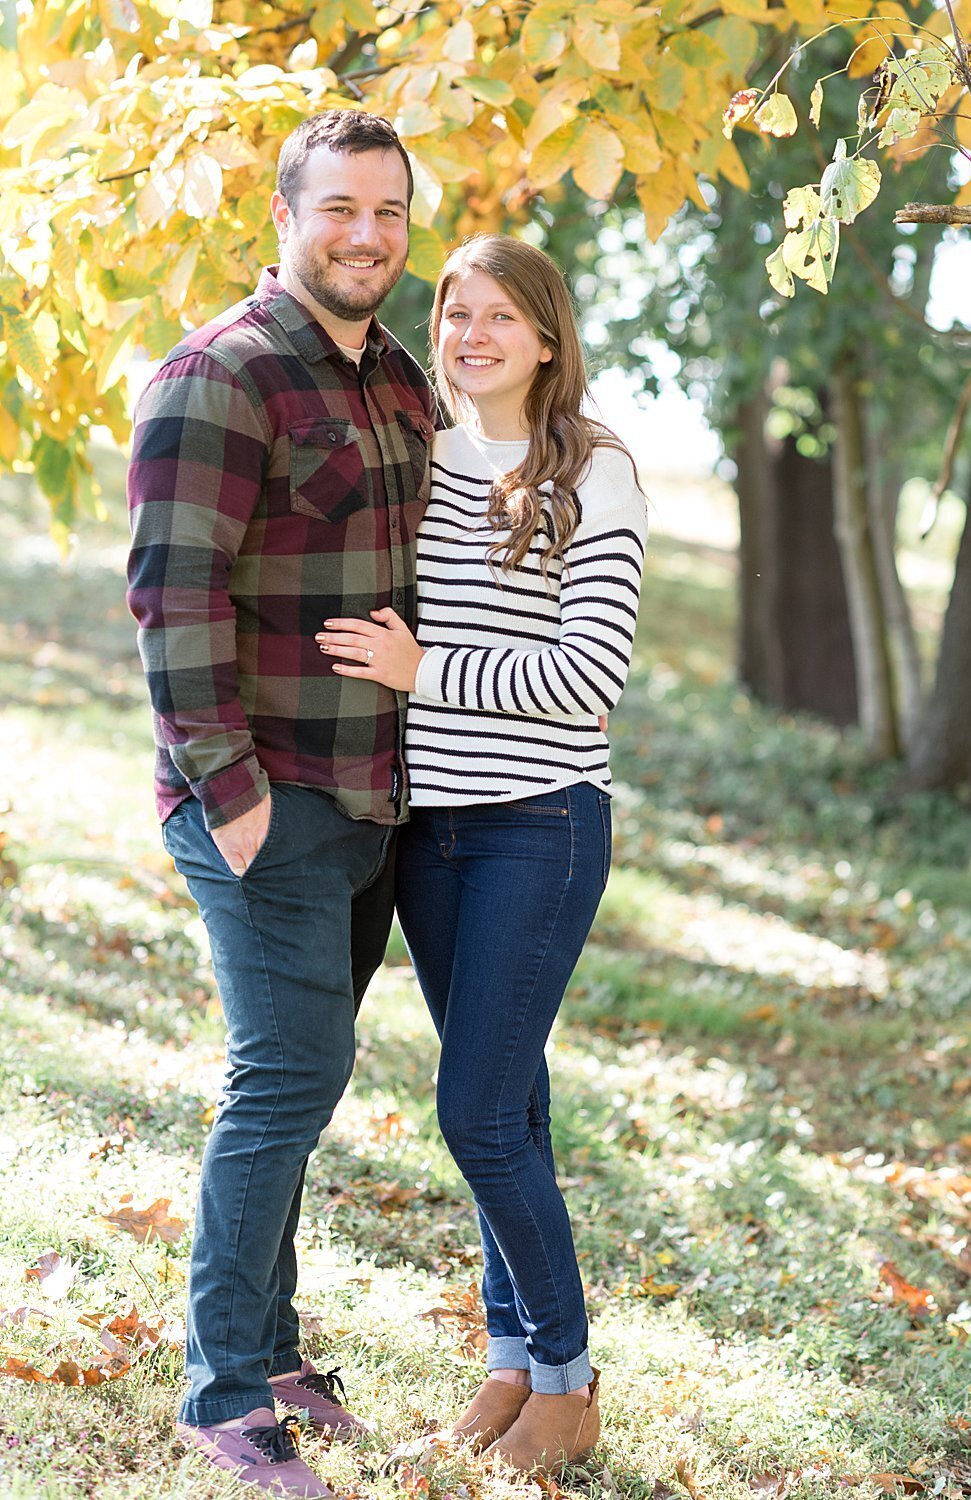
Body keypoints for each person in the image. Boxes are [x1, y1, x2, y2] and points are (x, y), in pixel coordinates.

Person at [125, 110, 436, 1500]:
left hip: (367, 799)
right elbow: (170, 598)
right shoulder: (221, 374)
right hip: (265, 799)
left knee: (299, 1086)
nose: (365, 234)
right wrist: (233, 795)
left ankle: (275, 1345)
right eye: (339, 210)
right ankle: (223, 1392)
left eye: (388, 211)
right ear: (283, 216)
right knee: (285, 1081)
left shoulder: (397, 377)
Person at [315, 234, 648, 1476]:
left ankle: (567, 1383)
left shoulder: (590, 471)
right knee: (511, 1102)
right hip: (428, 832)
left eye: (499, 316)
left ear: (546, 339)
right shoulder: (424, 457)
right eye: (453, 312)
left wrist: (422, 672)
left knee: (473, 1113)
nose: (469, 335)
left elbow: (584, 679)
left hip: (537, 825)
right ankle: (510, 1367)